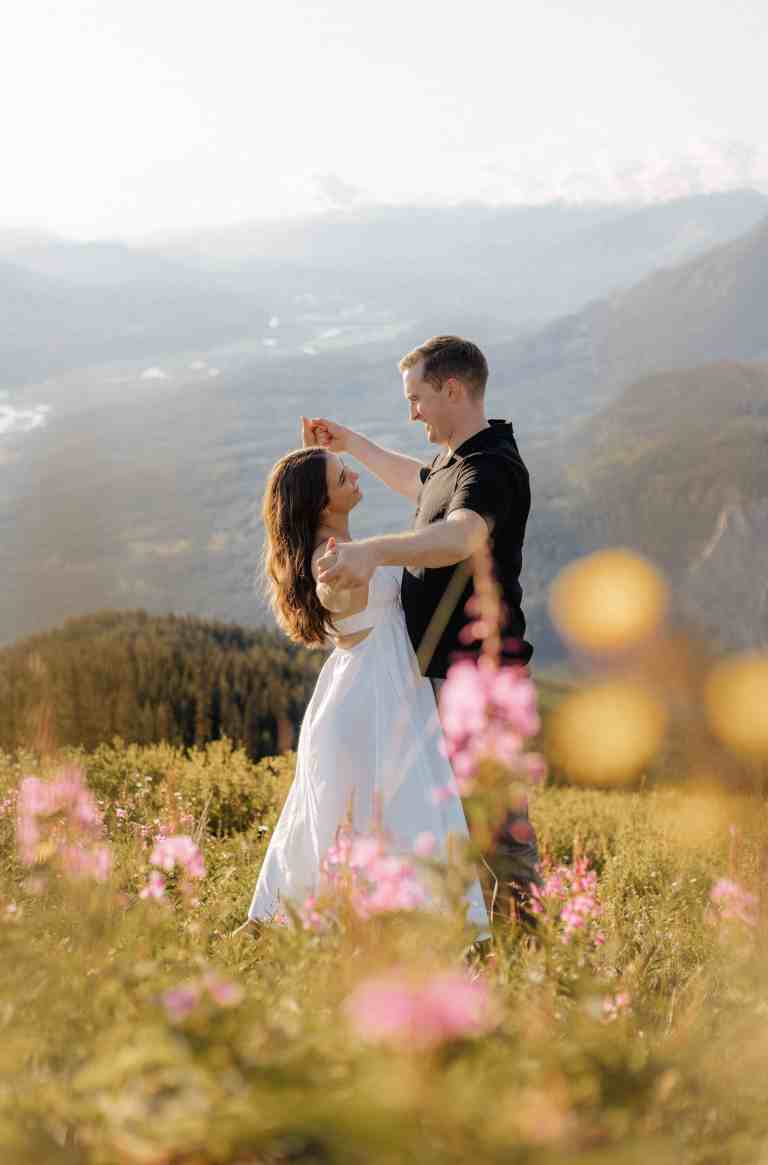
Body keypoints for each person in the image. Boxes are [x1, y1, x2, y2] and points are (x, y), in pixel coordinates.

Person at [307, 335, 541, 920]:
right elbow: (421, 484)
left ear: (452, 390)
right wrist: (351, 445)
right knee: (456, 817)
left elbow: (461, 534)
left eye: (417, 399)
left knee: (496, 822)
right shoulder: (458, 461)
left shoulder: (491, 468)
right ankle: (482, 940)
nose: (412, 413)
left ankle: (530, 948)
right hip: (443, 673)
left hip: (476, 675)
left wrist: (373, 553)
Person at [243, 444, 490, 938]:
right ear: (320, 502)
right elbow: (334, 590)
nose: (353, 475)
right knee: (382, 815)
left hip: (366, 692)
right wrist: (337, 584)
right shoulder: (329, 560)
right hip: (369, 704)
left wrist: (348, 440)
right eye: (340, 475)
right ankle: (397, 933)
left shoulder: (341, 549)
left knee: (345, 819)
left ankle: (309, 927)